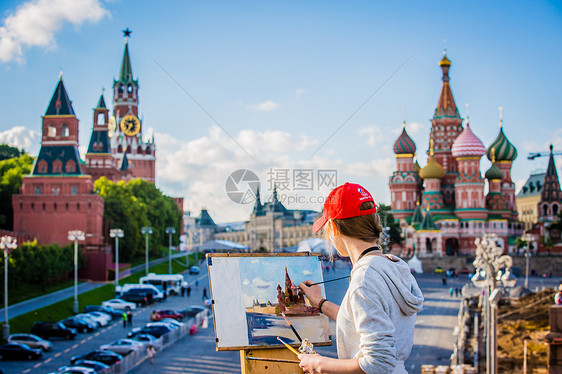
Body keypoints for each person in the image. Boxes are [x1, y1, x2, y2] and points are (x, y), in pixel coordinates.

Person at [297, 183, 423, 374]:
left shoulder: (365, 279)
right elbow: (362, 324)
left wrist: (318, 363)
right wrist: (320, 303)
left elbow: (378, 363)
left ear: (333, 228)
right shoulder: (393, 265)